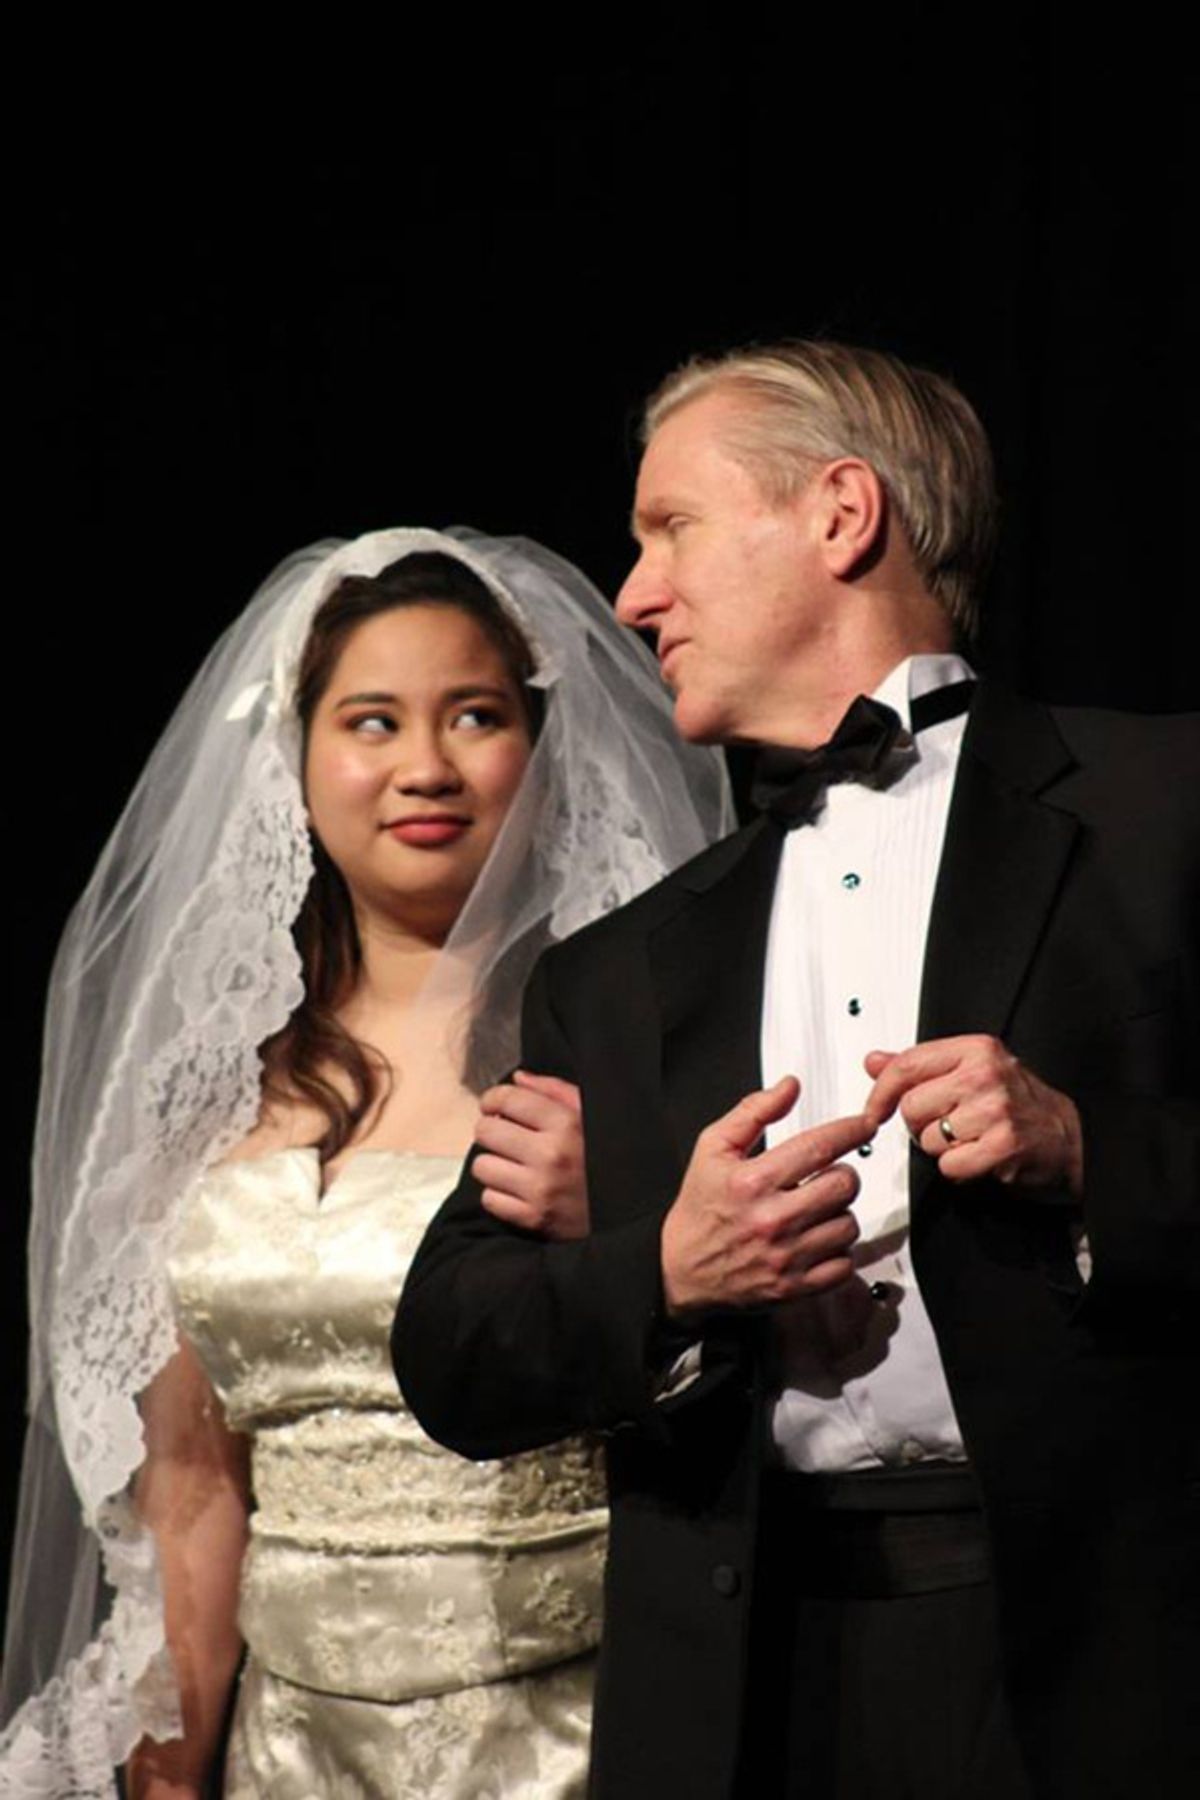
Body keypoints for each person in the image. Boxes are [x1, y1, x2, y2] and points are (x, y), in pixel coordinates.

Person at [395, 345, 1200, 1799]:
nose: (632, 594)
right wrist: (665, 1261)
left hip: (1108, 1670)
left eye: (670, 529)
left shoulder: (1162, 810)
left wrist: (1094, 1152)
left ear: (842, 516)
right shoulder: (624, 969)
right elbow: (454, 1351)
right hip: (747, 1686)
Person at [0, 526, 731, 1800]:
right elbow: (190, 1479)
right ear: (298, 757)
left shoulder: (637, 1048)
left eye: (475, 716)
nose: (427, 768)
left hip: (581, 1726)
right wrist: (175, 1759)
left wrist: (614, 1215)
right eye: (374, 722)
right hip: (299, 1753)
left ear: (541, 749)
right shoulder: (212, 1086)